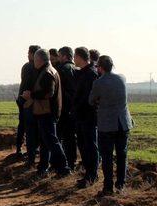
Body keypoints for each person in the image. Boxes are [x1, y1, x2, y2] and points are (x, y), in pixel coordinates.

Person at [21, 49, 71, 178]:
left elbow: (48, 93)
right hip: (45, 111)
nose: (33, 63)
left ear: (39, 60)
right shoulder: (48, 70)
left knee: (51, 140)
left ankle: (64, 167)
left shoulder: (47, 73)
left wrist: (30, 95)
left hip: (47, 112)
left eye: (35, 61)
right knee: (45, 142)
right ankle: (43, 167)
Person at [89, 55, 134, 196]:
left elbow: (91, 100)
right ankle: (121, 185)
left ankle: (108, 187)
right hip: (123, 123)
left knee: (107, 157)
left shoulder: (98, 83)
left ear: (100, 68)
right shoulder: (122, 78)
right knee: (122, 155)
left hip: (107, 125)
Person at [73, 47, 99, 188]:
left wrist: (78, 107)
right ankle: (88, 173)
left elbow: (89, 98)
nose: (73, 59)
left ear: (80, 57)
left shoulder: (91, 74)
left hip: (88, 116)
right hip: (79, 115)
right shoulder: (81, 73)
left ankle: (92, 175)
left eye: (75, 57)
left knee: (90, 146)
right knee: (83, 145)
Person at [18, 45, 41, 162]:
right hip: (34, 101)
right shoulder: (37, 67)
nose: (27, 55)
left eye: (29, 53)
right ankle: (33, 151)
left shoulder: (28, 67)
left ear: (34, 54)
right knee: (33, 128)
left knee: (27, 127)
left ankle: (28, 153)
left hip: (27, 100)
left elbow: (26, 84)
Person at [57, 47, 78, 169]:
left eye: (60, 56)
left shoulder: (61, 70)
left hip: (64, 108)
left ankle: (62, 163)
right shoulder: (78, 69)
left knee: (61, 137)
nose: (58, 58)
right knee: (71, 137)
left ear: (64, 56)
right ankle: (72, 161)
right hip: (75, 109)